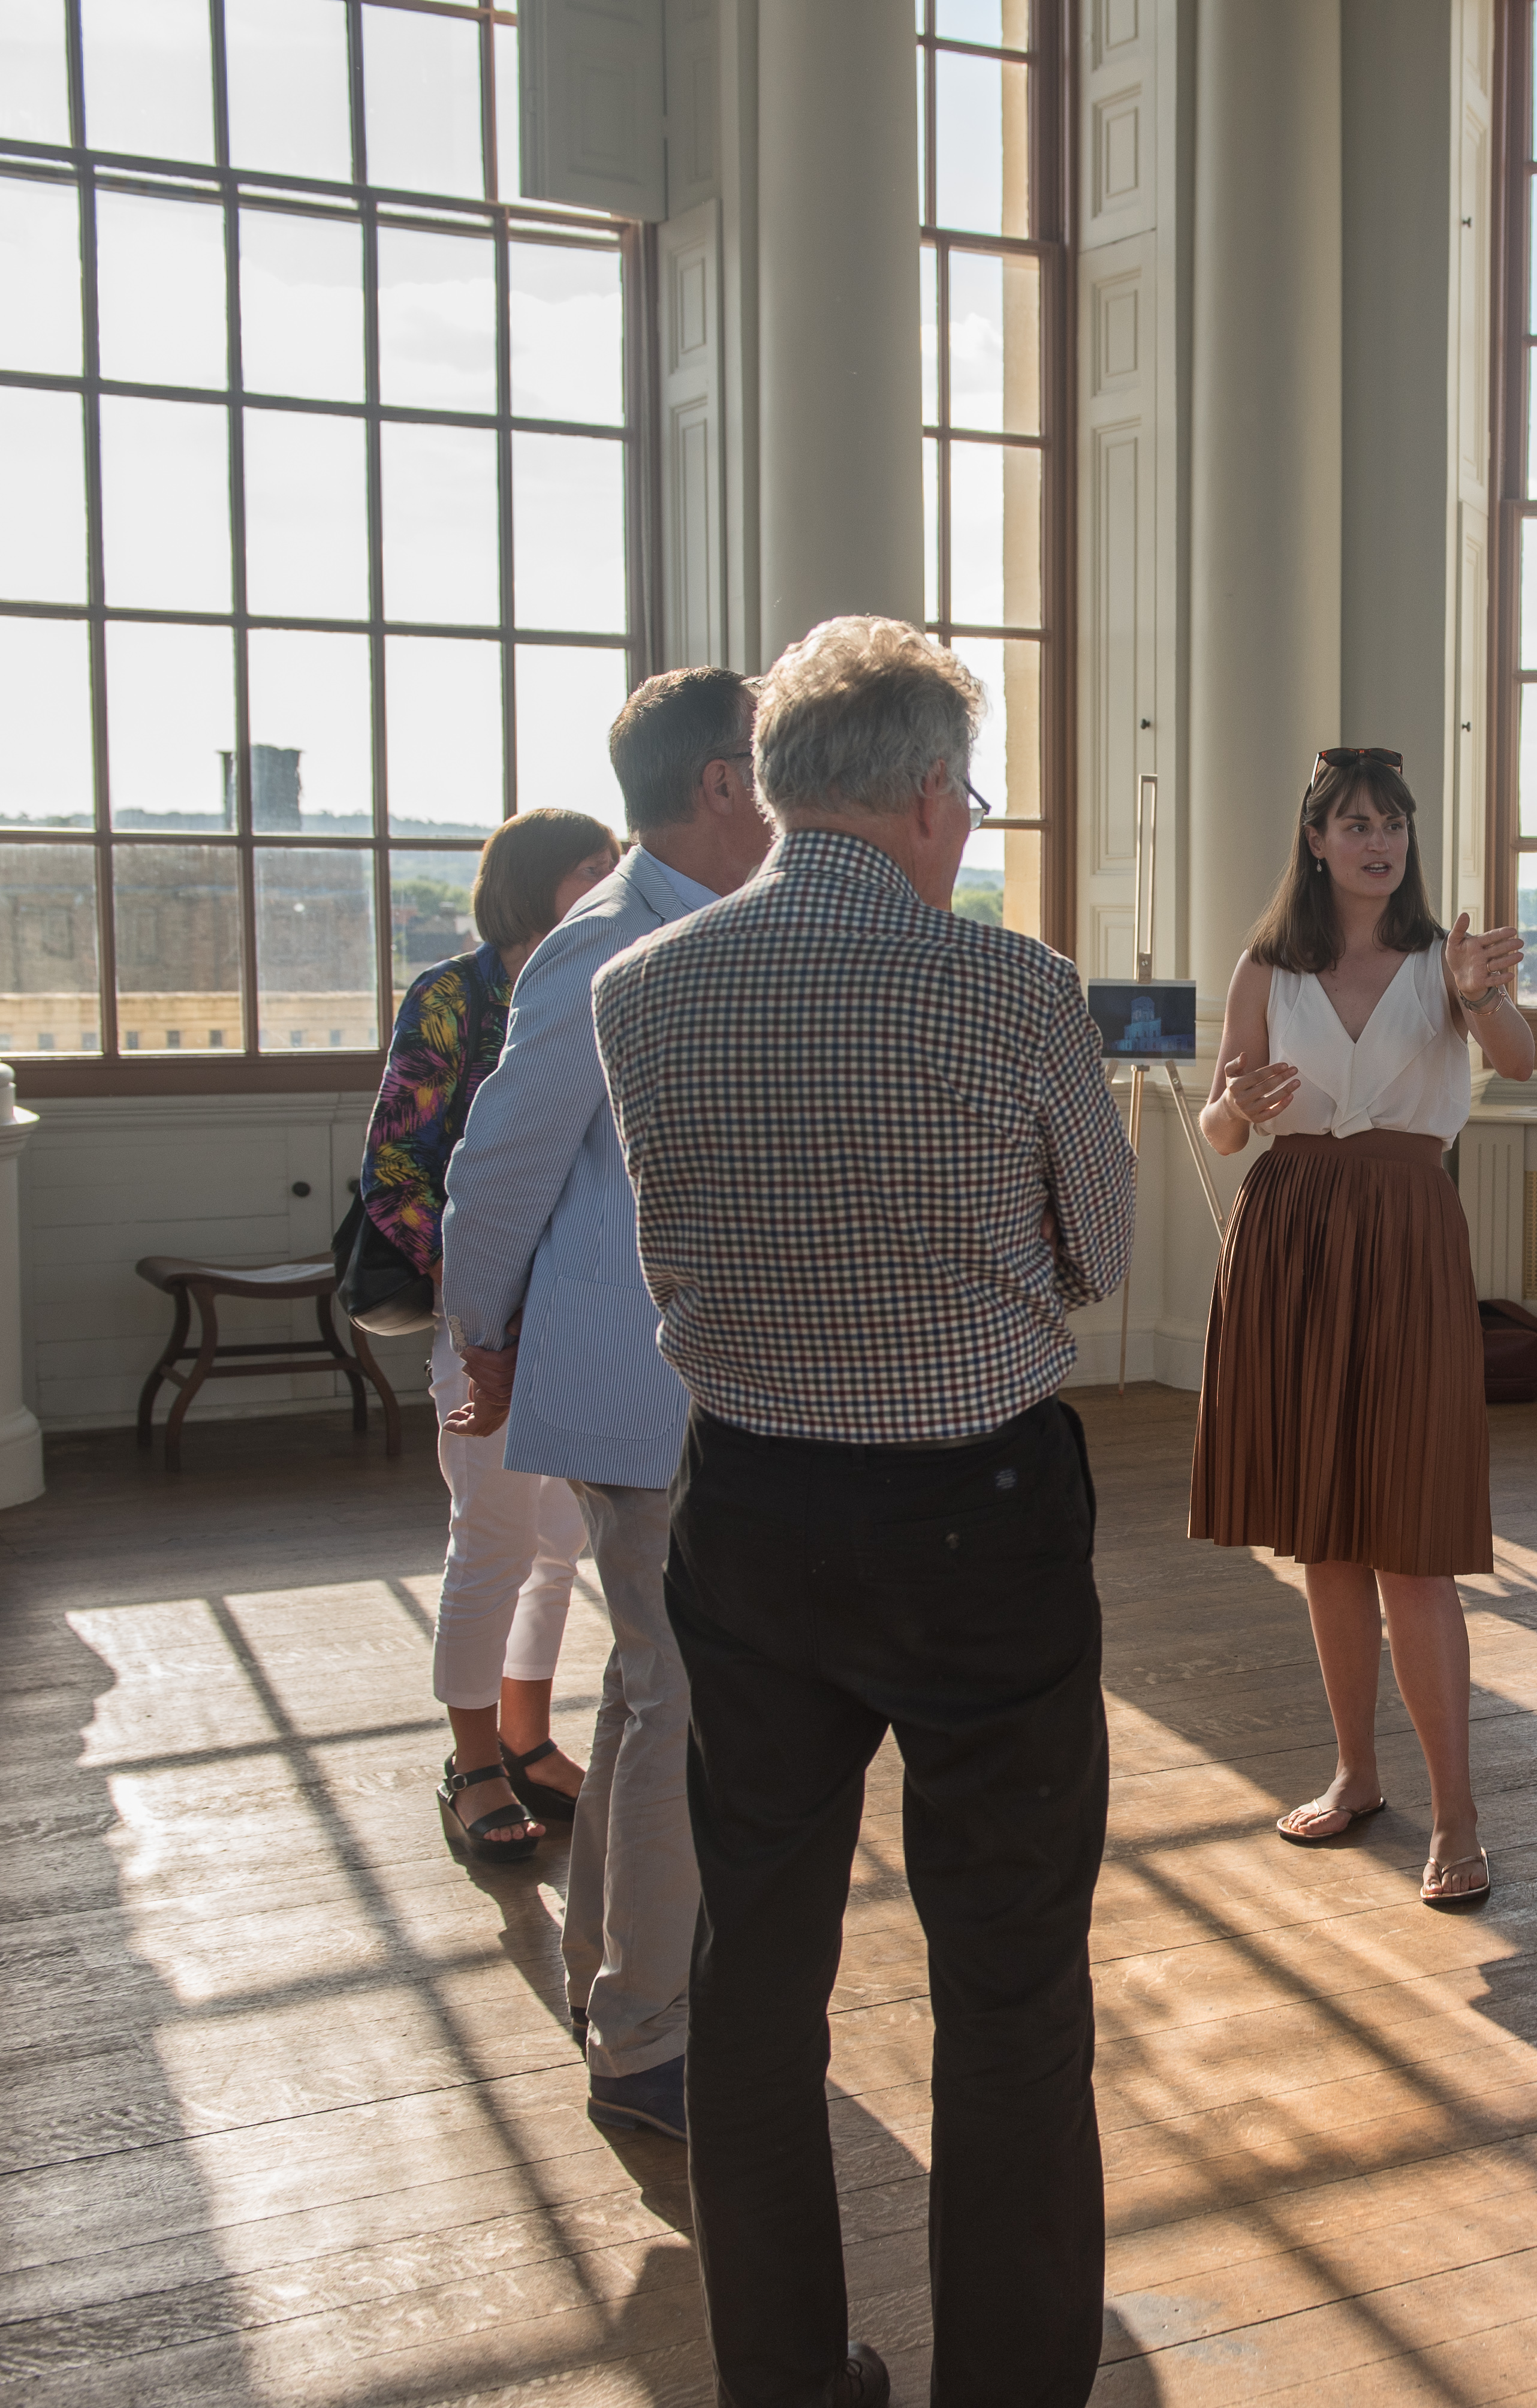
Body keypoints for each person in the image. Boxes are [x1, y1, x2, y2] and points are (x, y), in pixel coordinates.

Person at [594, 616, 1134, 2408]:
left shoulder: (640, 990)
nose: (967, 822)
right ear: (922, 797)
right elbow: (1103, 1256)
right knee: (1007, 1980)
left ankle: (783, 2381)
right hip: (977, 1520)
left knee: (757, 1975)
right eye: (966, 793)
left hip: (746, 1507)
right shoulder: (1017, 991)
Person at [442, 665, 767, 2145]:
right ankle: (645, 2041)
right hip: (642, 1387)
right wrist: (481, 1340)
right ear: (718, 784)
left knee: (647, 1698)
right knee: (680, 1703)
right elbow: (498, 1165)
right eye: (774, 766)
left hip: (689, 1381)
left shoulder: (699, 924)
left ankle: (610, 1983)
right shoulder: (602, 945)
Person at [1190, 746, 1532, 1909]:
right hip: (1287, 1234)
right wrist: (1236, 1103)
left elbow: (1522, 1061)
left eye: (1390, 822)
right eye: (1353, 822)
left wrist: (1481, 994)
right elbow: (1221, 1132)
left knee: (1410, 1540)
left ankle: (1458, 1816)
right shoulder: (1263, 965)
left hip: (1401, 1238)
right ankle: (1354, 1772)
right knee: (1323, 1533)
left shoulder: (1448, 961)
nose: (1375, 840)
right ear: (1317, 838)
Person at [365, 805, 617, 1867]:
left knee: (557, 1546)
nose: (613, 888)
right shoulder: (453, 999)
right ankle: (471, 1763)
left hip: (585, 1313)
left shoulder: (606, 985)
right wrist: (487, 1305)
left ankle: (526, 1737)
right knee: (494, 1540)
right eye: (594, 872)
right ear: (536, 886)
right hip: (487, 1319)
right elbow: (397, 1173)